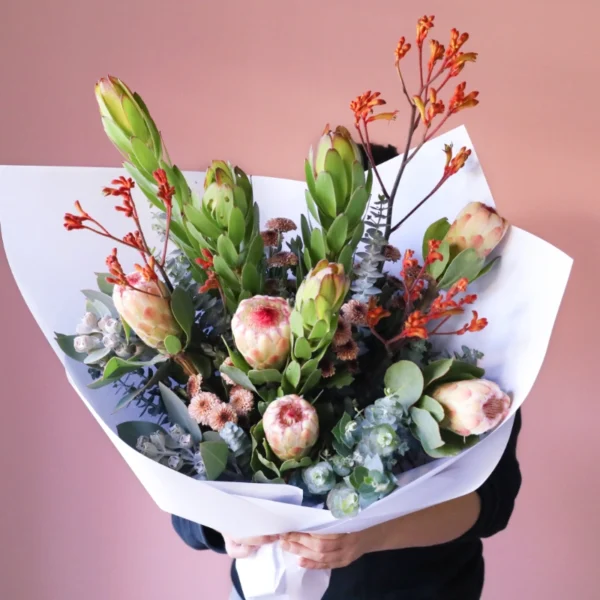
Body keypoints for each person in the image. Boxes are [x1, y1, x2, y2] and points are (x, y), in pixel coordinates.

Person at [171, 144, 523, 599]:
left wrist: (368, 536)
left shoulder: (464, 358)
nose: (358, 266)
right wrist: (227, 529)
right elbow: (185, 494)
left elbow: (490, 505)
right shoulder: (251, 335)